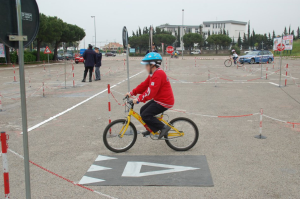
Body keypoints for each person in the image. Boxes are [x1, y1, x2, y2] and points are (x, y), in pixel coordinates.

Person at [126, 52, 175, 139]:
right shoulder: (153, 74)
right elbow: (144, 85)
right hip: (159, 99)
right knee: (142, 110)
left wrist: (138, 99)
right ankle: (152, 129)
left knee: (145, 114)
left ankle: (164, 127)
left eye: (147, 65)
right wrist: (132, 93)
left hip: (165, 101)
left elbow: (150, 92)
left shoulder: (158, 74)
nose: (145, 67)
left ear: (153, 65)